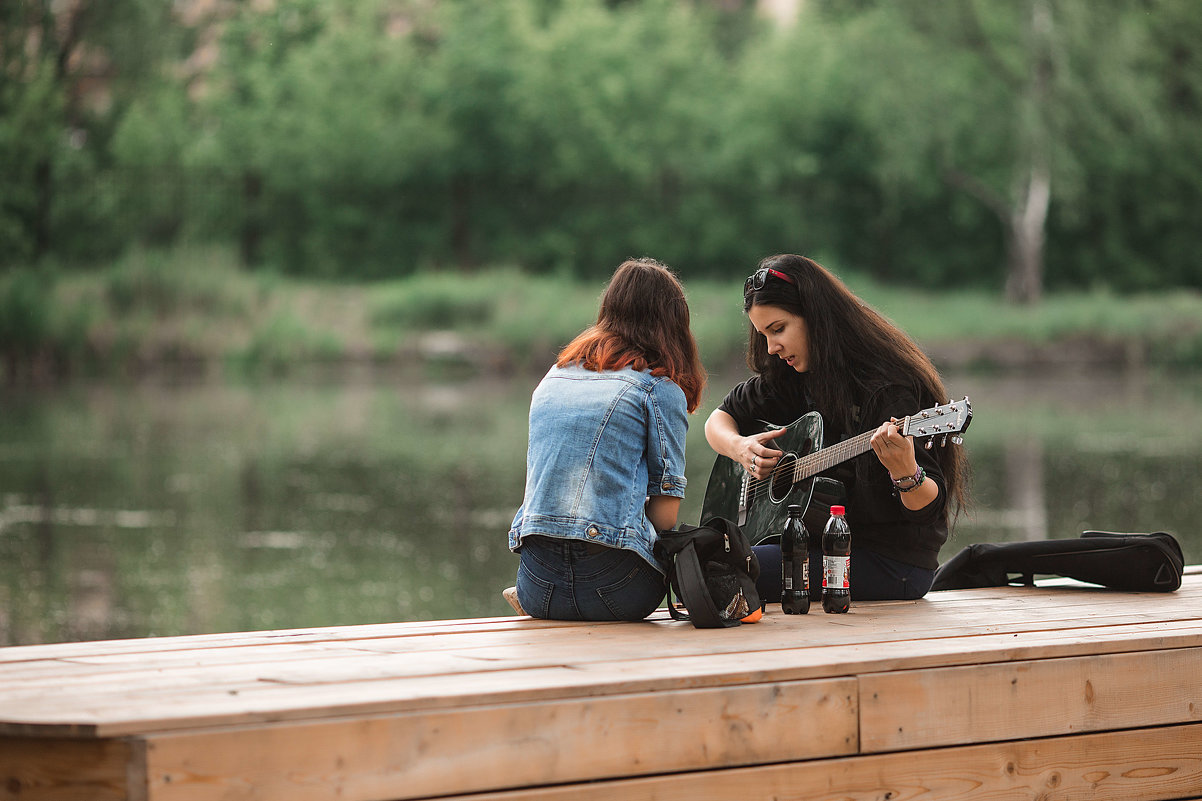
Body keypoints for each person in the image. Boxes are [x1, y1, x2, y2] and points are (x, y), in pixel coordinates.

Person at [704, 254, 969, 602]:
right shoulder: (794, 376)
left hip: (890, 563)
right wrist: (741, 448)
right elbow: (717, 421)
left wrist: (906, 472)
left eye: (778, 329)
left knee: (717, 568)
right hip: (816, 547)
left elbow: (929, 508)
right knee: (702, 554)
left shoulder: (889, 389)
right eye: (763, 335)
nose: (772, 347)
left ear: (815, 317)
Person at [506, 257, 707, 620]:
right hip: (617, 592)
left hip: (537, 586)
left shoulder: (555, 376)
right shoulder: (659, 390)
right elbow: (665, 515)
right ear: (674, 324)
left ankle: (538, 597)